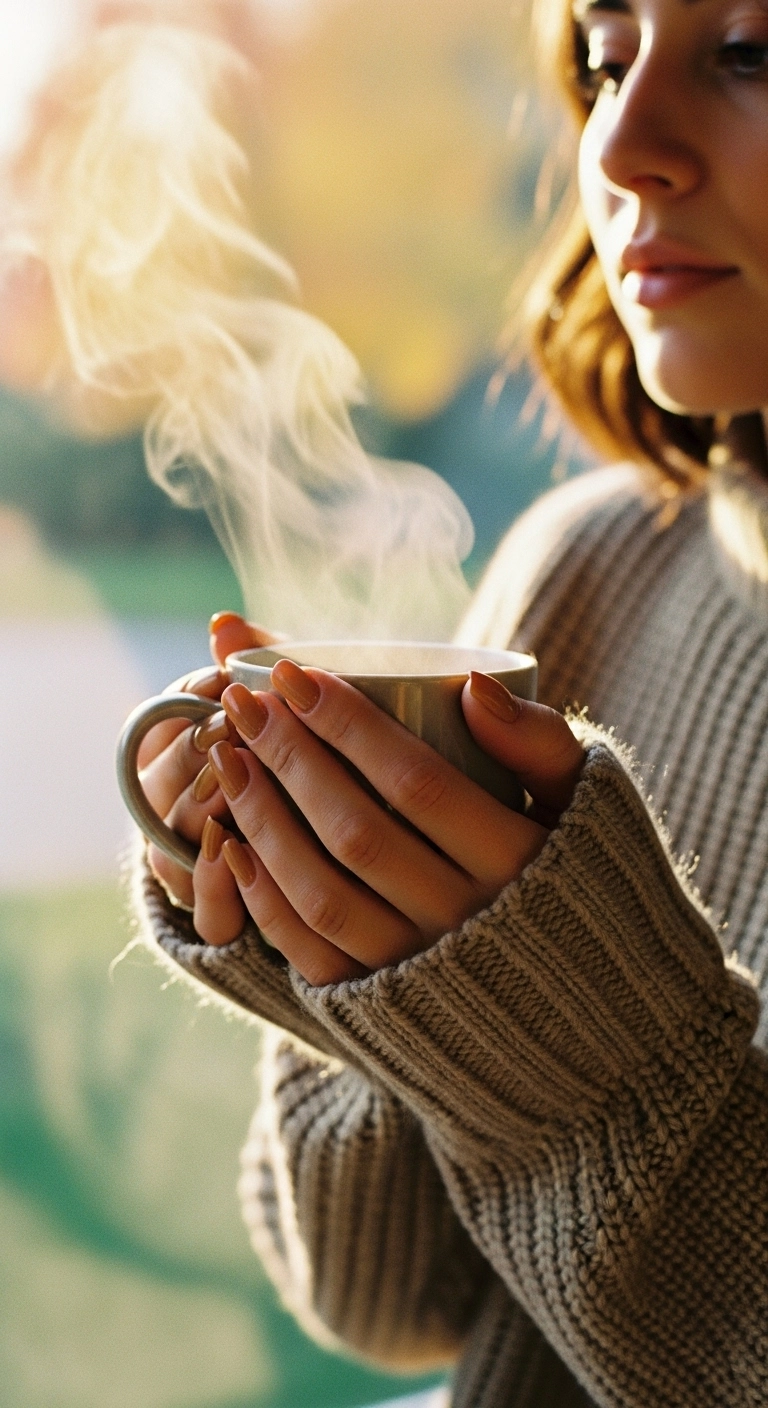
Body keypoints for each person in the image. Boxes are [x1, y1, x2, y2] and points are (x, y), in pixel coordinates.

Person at [132, 0, 768, 1402]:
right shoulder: (589, 578)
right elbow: (394, 1301)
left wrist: (586, 1061)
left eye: (747, 52)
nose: (625, 142)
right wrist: (347, 972)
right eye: (604, 58)